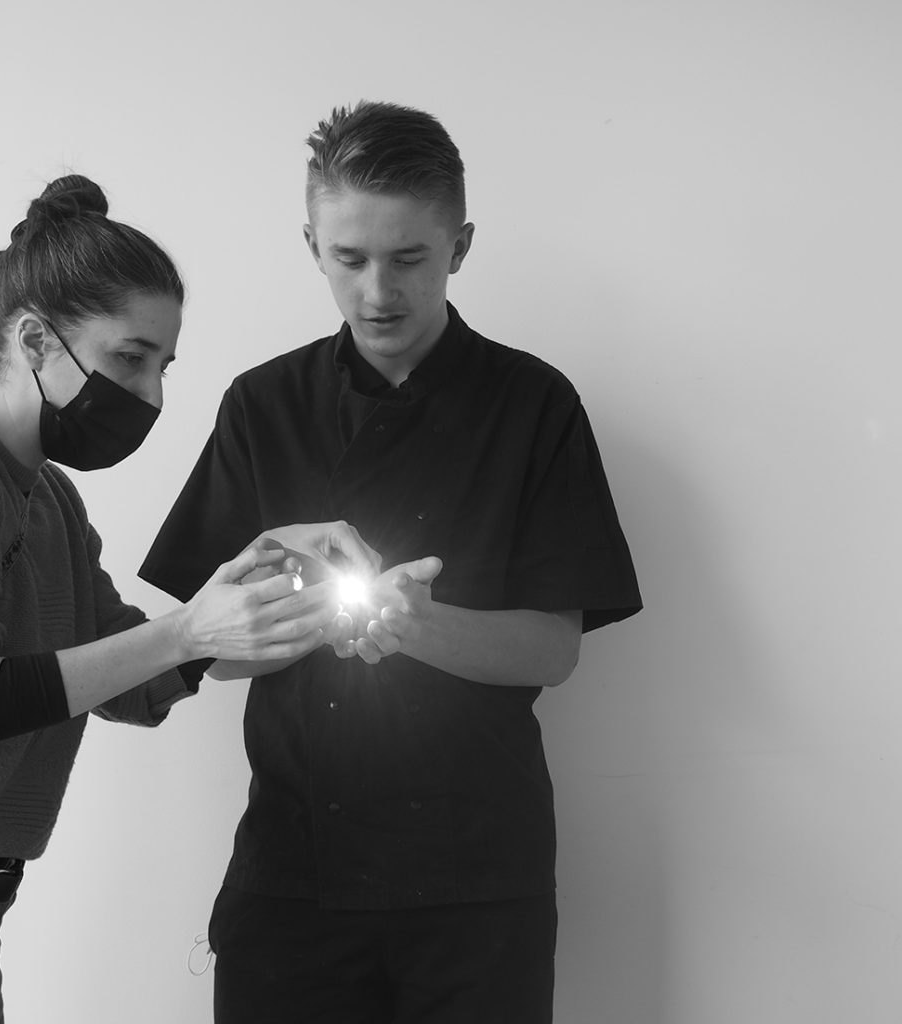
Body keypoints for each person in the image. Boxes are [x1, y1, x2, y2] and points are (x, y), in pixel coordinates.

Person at [140, 102, 643, 1024]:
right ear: (312, 246)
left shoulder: (535, 405)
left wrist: (415, 625)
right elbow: (204, 650)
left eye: (409, 258)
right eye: (350, 258)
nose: (378, 292)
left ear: (460, 246)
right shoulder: (263, 404)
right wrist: (302, 613)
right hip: (293, 866)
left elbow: (554, 649)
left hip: (477, 878)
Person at [0, 174, 377, 1024]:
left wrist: (269, 589)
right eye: (129, 359)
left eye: (163, 366)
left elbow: (134, 683)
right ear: (35, 340)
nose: (150, 396)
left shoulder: (52, 501)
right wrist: (189, 630)